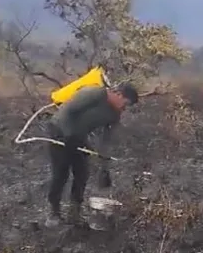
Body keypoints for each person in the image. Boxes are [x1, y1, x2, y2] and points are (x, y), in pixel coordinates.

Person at [44, 82, 139, 227]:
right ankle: (53, 213)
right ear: (118, 94)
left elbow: (106, 140)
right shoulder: (93, 94)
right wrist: (68, 135)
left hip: (78, 138)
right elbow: (68, 111)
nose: (124, 108)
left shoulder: (114, 114)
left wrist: (104, 167)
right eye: (125, 104)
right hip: (59, 131)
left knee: (82, 173)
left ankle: (74, 213)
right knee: (60, 173)